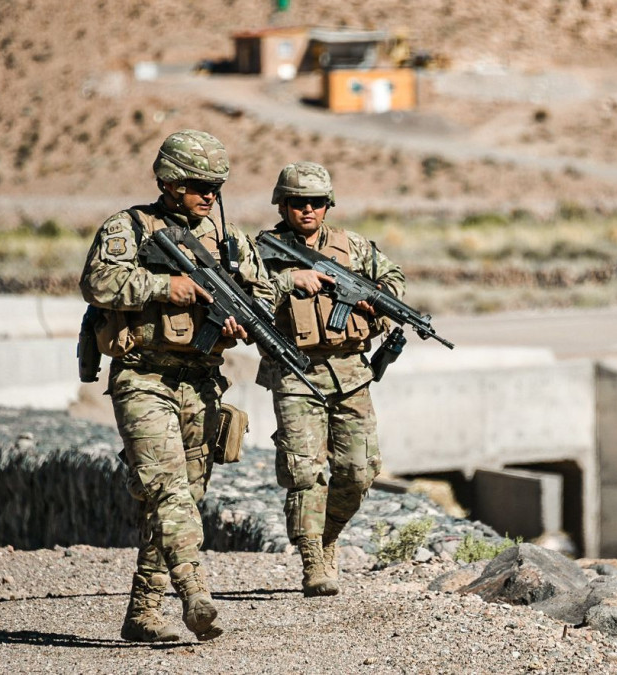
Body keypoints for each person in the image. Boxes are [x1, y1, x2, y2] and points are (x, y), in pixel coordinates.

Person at [80, 129, 273, 642]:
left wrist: (242, 322)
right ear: (167, 181)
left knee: (180, 496)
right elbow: (99, 283)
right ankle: (195, 594)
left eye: (216, 185)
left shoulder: (230, 243)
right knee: (167, 490)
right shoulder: (129, 228)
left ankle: (143, 613)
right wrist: (168, 286)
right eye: (197, 184)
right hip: (143, 376)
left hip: (203, 383)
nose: (209, 195)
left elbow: (264, 299)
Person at [255, 161, 406, 597]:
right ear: (282, 205)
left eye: (316, 203)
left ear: (328, 206)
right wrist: (288, 280)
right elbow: (242, 289)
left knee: (359, 471)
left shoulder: (353, 246)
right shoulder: (261, 249)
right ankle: (312, 561)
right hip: (295, 369)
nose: (307, 210)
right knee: (304, 471)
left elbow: (392, 278)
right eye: (298, 202)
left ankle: (328, 535)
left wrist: (379, 303)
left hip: (351, 373)